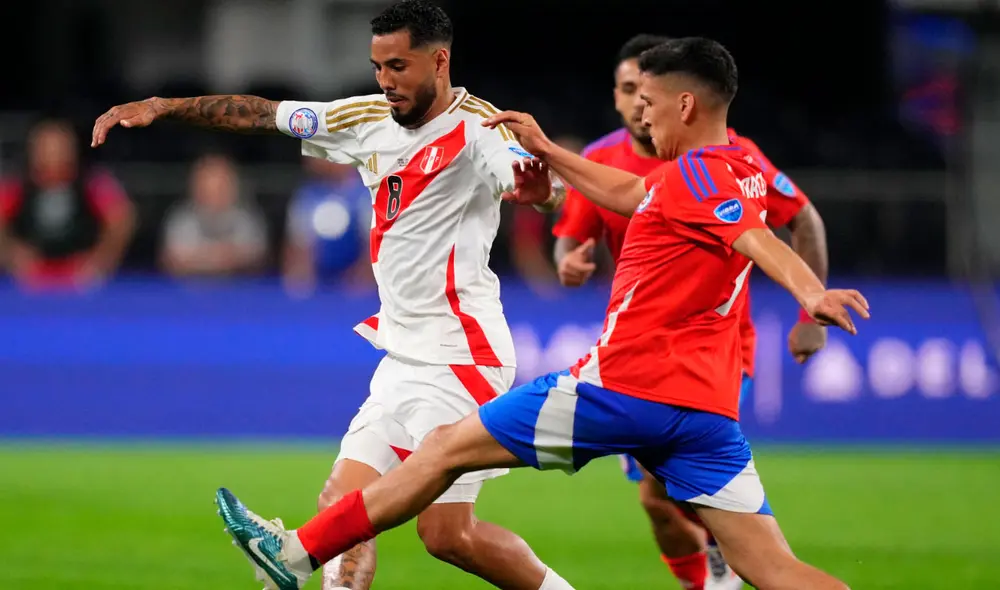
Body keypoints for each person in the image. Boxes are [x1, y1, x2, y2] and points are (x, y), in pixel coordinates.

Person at [213, 37, 869, 590]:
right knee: (775, 568)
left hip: (623, 387)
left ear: (686, 104)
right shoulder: (728, 168)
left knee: (441, 451)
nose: (643, 120)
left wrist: (809, 293)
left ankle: (296, 552)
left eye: (649, 106)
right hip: (706, 413)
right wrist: (547, 150)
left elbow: (754, 237)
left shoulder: (700, 176)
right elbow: (632, 190)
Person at [92, 2, 574, 589]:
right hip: (403, 357)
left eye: (398, 66)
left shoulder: (481, 128)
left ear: (439, 60)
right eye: (377, 67)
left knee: (444, 535)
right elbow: (262, 114)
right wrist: (165, 107)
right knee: (348, 512)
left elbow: (534, 184)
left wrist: (541, 189)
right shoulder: (367, 117)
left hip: (462, 357)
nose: (385, 81)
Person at [552, 35, 829, 590]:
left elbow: (800, 221)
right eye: (629, 90)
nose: (637, 102)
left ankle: (732, 558)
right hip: (640, 354)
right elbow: (570, 237)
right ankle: (712, 574)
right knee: (656, 504)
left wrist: (810, 313)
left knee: (661, 487)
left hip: (717, 351)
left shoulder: (730, 158)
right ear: (615, 96)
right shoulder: (602, 161)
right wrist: (568, 262)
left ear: (676, 98)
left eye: (645, 91)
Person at [0, 119, 135, 290]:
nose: (52, 153)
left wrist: (100, 260)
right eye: (46, 146)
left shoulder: (91, 181)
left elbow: (122, 220)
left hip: (83, 281)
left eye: (59, 146)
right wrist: (12, 253)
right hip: (28, 280)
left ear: (72, 149)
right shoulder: (17, 183)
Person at [161, 153, 269, 278]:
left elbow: (256, 258)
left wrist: (204, 257)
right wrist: (218, 257)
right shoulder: (182, 220)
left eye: (221, 187)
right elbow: (174, 260)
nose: (215, 195)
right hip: (189, 292)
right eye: (208, 187)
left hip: (239, 291)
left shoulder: (247, 219)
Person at [283, 156, 374, 296]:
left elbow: (375, 246)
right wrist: (300, 282)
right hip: (318, 285)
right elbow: (298, 248)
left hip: (357, 286)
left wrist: (362, 279)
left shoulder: (366, 194)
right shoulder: (307, 195)